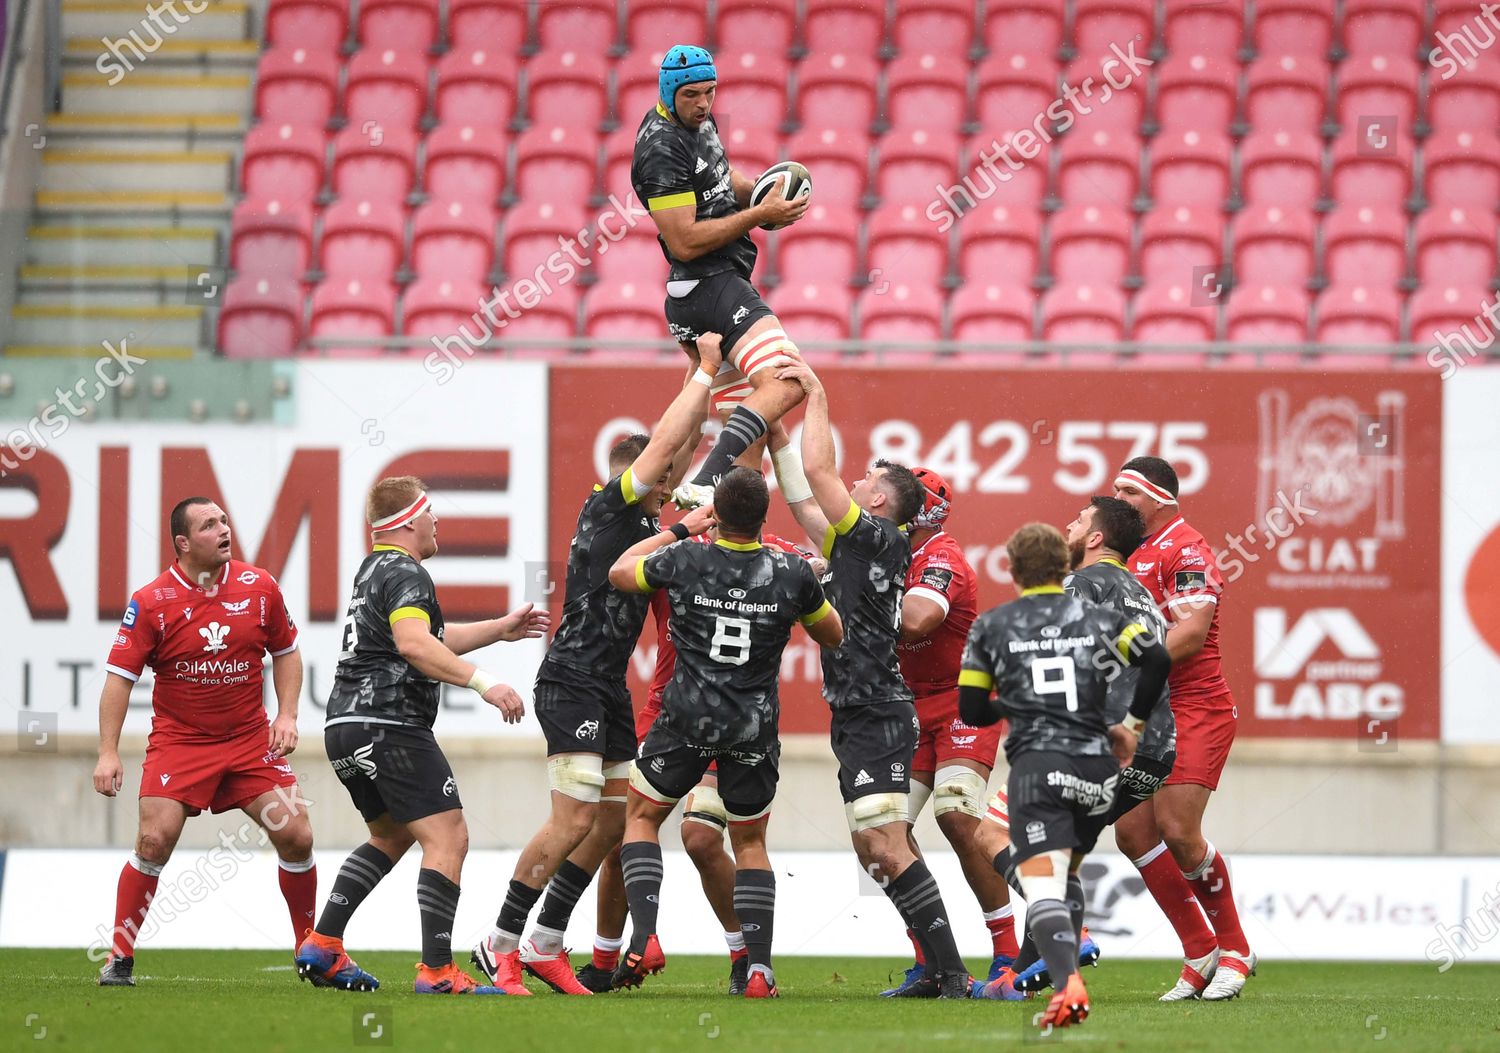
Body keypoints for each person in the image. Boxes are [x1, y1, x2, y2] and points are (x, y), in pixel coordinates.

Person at [473, 336, 725, 995]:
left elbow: (683, 440)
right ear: (641, 473)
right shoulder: (610, 503)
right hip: (572, 681)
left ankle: (547, 942)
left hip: (607, 688)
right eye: (662, 476)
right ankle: (498, 942)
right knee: (574, 820)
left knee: (612, 820)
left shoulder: (643, 516)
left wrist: (700, 380)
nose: (670, 486)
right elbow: (668, 447)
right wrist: (701, 372)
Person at [295, 477, 544, 995]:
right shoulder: (408, 571)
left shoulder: (374, 570)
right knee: (449, 835)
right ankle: (436, 971)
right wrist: (485, 682)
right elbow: (413, 644)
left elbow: (425, 636)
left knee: (390, 835)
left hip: (346, 725)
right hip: (392, 725)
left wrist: (499, 628)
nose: (439, 523)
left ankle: (323, 943)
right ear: (409, 521)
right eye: (432, 513)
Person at [605, 467, 844, 997]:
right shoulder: (791, 571)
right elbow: (833, 635)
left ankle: (644, 937)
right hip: (752, 726)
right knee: (751, 841)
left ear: (717, 512)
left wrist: (682, 529)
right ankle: (759, 970)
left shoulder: (686, 558)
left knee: (641, 818)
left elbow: (621, 571)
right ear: (764, 516)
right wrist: (800, 599)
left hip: (686, 717)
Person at [775, 360, 972, 999]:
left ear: (881, 501)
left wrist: (817, 395)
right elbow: (806, 497)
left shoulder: (879, 539)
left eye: (867, 480)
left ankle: (951, 974)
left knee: (887, 845)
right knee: (873, 847)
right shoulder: (851, 545)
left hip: (880, 710)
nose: (856, 484)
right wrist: (777, 436)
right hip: (858, 711)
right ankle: (938, 970)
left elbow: (822, 476)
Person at [958, 522, 1171, 1030]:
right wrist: (1132, 727)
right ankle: (1060, 981)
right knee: (1066, 870)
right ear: (1063, 566)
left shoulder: (993, 626)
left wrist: (1016, 701)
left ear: (1011, 569)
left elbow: (971, 708)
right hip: (1099, 770)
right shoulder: (1098, 617)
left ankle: (1069, 976)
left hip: (1040, 767)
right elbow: (1158, 657)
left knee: (1010, 852)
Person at [94, 497, 313, 987]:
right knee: (154, 840)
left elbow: (288, 653)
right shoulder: (151, 601)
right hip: (181, 742)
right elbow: (118, 679)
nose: (223, 529)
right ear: (183, 543)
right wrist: (108, 751)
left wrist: (288, 714)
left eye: (223, 520)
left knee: (297, 833)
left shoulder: (260, 587)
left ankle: (310, 949)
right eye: (209, 524)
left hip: (250, 739)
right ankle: (119, 958)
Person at [631, 43, 812, 510]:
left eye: (710, 93)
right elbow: (685, 241)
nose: (703, 104)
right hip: (709, 285)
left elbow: (720, 175)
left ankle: (732, 549)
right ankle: (706, 480)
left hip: (712, 286)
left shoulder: (699, 121)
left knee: (750, 439)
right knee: (790, 381)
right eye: (692, 95)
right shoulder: (660, 149)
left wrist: (764, 197)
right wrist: (757, 216)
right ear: (669, 93)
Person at [1111, 457, 1256, 1001]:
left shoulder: (1186, 549)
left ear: (1160, 497)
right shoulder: (1128, 553)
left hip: (1194, 706)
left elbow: (1191, 634)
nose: (1117, 497)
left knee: (1176, 826)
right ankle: (1200, 950)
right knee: (1133, 832)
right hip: (1147, 709)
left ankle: (1236, 948)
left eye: (1128, 490)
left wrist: (1113, 659)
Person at [882, 468, 1020, 998]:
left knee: (957, 815)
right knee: (882, 836)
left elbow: (916, 622)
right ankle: (934, 963)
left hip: (963, 700)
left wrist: (857, 599)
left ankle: (1008, 954)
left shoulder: (941, 557)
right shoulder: (889, 555)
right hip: (908, 708)